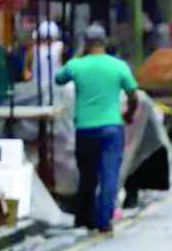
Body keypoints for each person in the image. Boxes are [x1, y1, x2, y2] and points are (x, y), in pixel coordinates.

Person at [55, 24, 139, 234]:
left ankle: (85, 218)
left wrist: (78, 57)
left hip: (85, 129)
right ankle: (104, 220)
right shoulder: (118, 66)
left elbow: (59, 78)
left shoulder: (77, 65)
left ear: (86, 43)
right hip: (112, 127)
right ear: (105, 42)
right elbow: (133, 94)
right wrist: (128, 114)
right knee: (109, 174)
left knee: (88, 175)